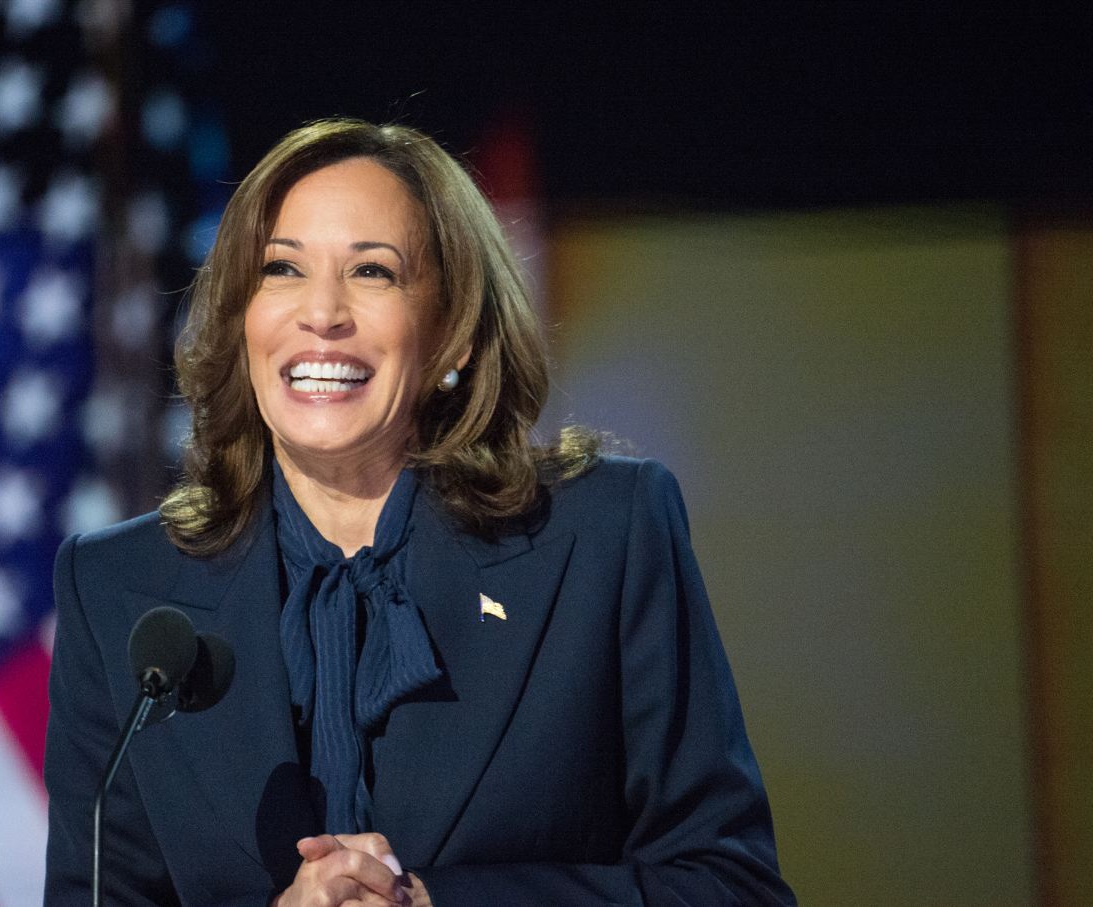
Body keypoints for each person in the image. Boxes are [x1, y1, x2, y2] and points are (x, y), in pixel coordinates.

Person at [44, 118, 795, 906]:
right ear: (240, 320)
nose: (322, 313)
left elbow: (730, 885)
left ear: (454, 336)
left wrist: (439, 901)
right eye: (282, 270)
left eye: (372, 272)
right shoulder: (119, 587)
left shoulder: (606, 534)